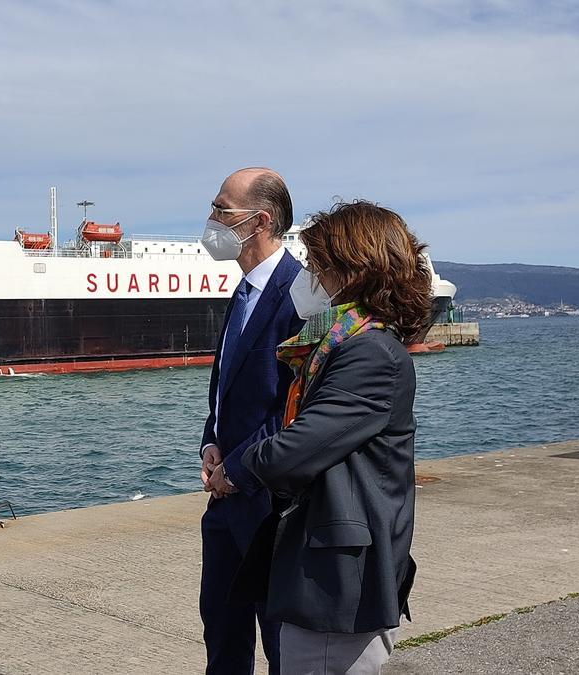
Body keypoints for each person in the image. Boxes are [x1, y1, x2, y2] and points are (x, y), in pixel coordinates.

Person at [237, 200, 429, 674]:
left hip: (339, 578)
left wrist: (241, 465)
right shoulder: (351, 344)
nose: (313, 277)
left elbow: (296, 450)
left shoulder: (370, 355)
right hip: (329, 568)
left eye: (319, 265)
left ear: (353, 270)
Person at [198, 168, 305, 674]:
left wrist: (236, 469)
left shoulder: (300, 297)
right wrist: (209, 446)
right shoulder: (243, 293)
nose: (211, 220)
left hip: (268, 504)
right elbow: (227, 392)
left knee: (280, 642)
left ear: (260, 220)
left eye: (222, 210)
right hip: (225, 501)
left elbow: (293, 408)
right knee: (221, 633)